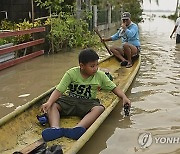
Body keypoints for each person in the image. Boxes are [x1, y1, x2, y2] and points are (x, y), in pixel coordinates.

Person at [40, 48, 131, 142]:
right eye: (92, 66)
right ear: (82, 66)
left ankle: (78, 129)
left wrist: (124, 97)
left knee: (99, 108)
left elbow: (114, 88)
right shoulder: (71, 73)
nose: (95, 68)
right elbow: (59, 90)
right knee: (52, 105)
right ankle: (55, 128)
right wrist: (49, 102)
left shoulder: (100, 75)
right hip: (69, 101)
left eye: (97, 65)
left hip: (87, 103)